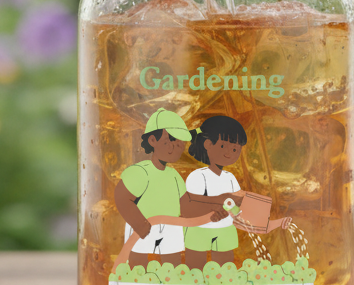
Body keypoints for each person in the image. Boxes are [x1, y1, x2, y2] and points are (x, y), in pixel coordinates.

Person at [113, 109, 224, 268]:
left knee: (172, 264)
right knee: (137, 263)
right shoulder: (141, 171)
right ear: (152, 140)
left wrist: (212, 211)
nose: (177, 147)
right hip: (144, 225)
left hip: (171, 227)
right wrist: (138, 223)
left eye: (181, 142)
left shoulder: (174, 176)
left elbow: (186, 205)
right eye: (171, 140)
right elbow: (122, 196)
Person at [183, 114, 291, 271]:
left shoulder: (230, 177)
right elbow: (190, 204)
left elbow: (238, 203)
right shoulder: (197, 176)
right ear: (207, 144)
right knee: (195, 266)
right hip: (199, 229)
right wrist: (217, 205)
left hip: (225, 230)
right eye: (222, 146)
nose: (229, 153)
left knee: (225, 267)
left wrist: (269, 217)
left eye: (235, 149)